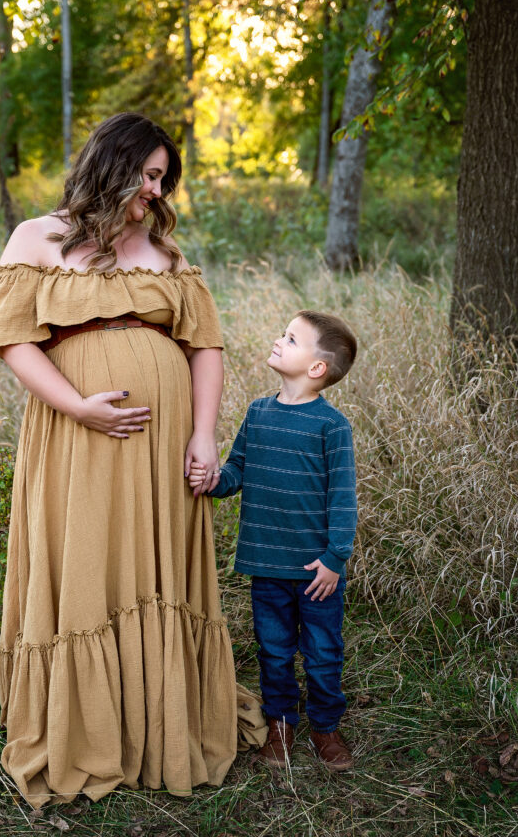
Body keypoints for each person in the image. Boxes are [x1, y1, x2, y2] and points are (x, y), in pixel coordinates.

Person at [0, 112, 265, 809]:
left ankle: (162, 725)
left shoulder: (164, 252)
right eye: (149, 175)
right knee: (88, 562)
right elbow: (14, 342)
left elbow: (205, 347)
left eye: (164, 180)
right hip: (77, 437)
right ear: (113, 164)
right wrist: (78, 407)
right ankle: (88, 731)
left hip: (163, 447)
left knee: (152, 567)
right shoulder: (38, 237)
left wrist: (202, 436)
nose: (157, 192)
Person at [189, 310, 358, 772]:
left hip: (315, 571)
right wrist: (212, 479)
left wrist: (334, 558)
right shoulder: (258, 413)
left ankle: (325, 727)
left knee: (323, 653)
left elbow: (343, 499)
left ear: (316, 368)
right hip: (266, 564)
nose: (278, 340)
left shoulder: (331, 426)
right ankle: (281, 725)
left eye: (291, 338)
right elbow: (237, 471)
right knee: (274, 650)